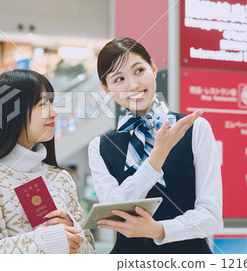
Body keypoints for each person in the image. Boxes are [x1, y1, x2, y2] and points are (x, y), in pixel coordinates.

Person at [88, 37, 223, 254]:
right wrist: (156, 158)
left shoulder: (195, 128)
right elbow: (114, 209)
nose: (133, 85)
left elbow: (211, 216)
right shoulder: (100, 146)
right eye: (119, 79)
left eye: (139, 70)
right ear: (106, 88)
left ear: (153, 67)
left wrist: (159, 229)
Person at [0, 69, 95, 254]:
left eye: (52, 102)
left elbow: (91, 254)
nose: (54, 112)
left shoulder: (61, 179)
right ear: (11, 112)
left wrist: (73, 233)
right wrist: (46, 242)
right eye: (43, 104)